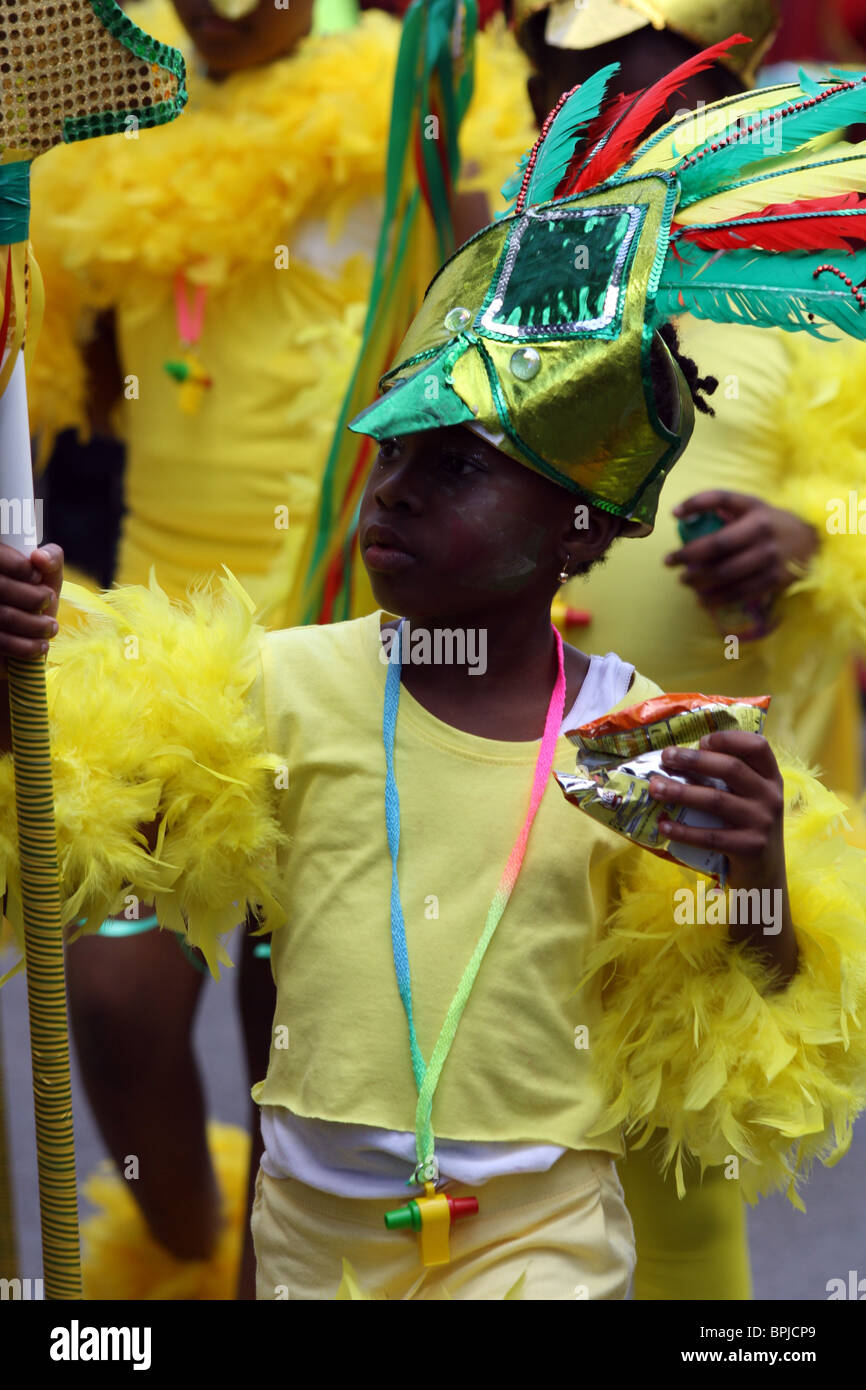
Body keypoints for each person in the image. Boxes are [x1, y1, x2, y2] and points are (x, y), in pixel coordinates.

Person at [4, 37, 866, 1299]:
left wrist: (754, 877)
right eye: (389, 460)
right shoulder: (275, 685)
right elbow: (78, 829)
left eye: (455, 468)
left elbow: (742, 1009)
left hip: (540, 1248)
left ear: (579, 528)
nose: (392, 497)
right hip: (309, 1237)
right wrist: (23, 659)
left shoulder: (643, 738)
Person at [26, 0, 534, 1298]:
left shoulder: (412, 96)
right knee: (116, 998)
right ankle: (181, 1260)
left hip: (349, 623)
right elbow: (52, 389)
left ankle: (278, 1275)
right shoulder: (99, 123)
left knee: (293, 1026)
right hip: (149, 642)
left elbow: (485, 343)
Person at [511, 0, 866, 1300]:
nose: (614, 110)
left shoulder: (822, 284)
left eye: (644, 80)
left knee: (675, 1198)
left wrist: (812, 538)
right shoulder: (515, 265)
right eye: (574, 78)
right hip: (496, 797)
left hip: (693, 830)